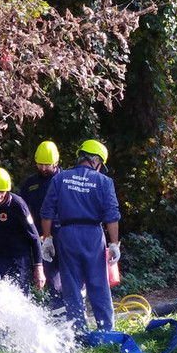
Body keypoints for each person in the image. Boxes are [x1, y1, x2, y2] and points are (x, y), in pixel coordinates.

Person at [39, 139, 121, 332]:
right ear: (95, 160)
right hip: (93, 234)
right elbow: (112, 215)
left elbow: (47, 211)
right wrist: (114, 243)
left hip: (67, 235)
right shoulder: (104, 182)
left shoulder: (60, 179)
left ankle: (79, 332)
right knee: (98, 283)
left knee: (71, 284)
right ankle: (106, 331)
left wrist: (48, 238)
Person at [20, 141, 64, 313]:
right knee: (52, 278)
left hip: (65, 234)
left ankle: (76, 309)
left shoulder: (65, 181)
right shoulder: (30, 183)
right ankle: (58, 312)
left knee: (72, 274)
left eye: (47, 165)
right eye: (40, 164)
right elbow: (23, 208)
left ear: (56, 163)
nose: (43, 168)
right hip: (42, 237)